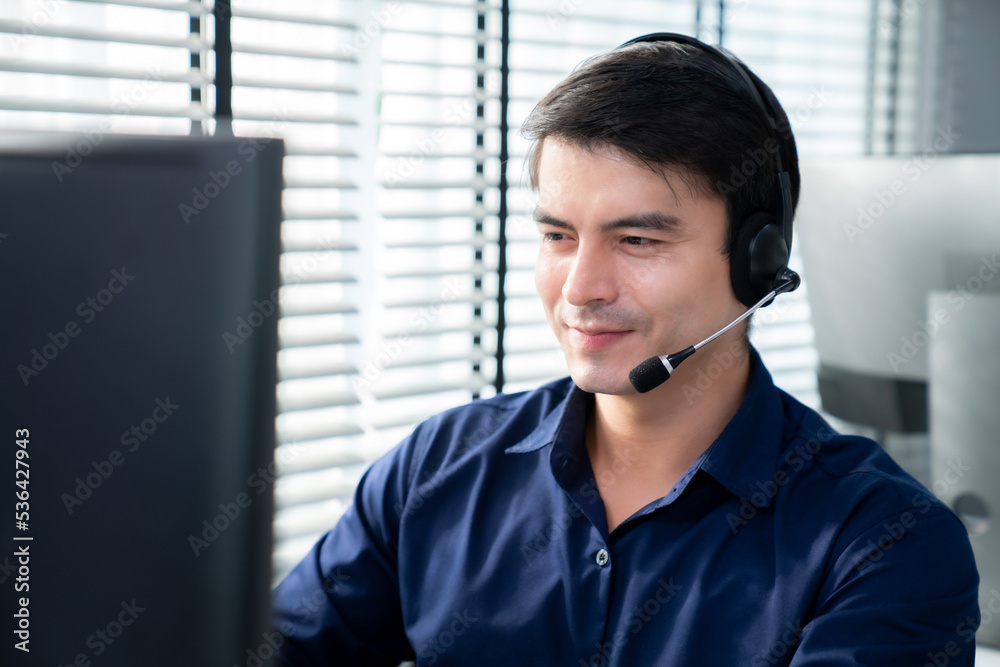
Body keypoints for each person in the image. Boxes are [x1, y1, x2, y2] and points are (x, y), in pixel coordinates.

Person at [271, 33, 980, 666]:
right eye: (558, 235)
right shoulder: (437, 470)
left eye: (637, 240)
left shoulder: (885, 545)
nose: (580, 287)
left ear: (759, 261)